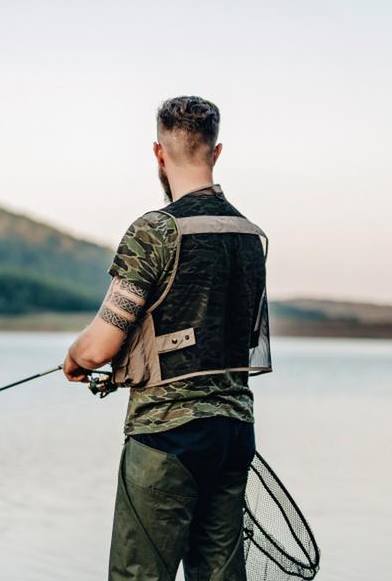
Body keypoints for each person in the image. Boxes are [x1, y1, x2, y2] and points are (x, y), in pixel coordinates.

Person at [63, 96, 272, 581]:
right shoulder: (250, 236)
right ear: (216, 152)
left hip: (167, 440)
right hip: (234, 435)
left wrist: (74, 360)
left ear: (159, 153)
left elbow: (99, 347)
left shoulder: (154, 231)